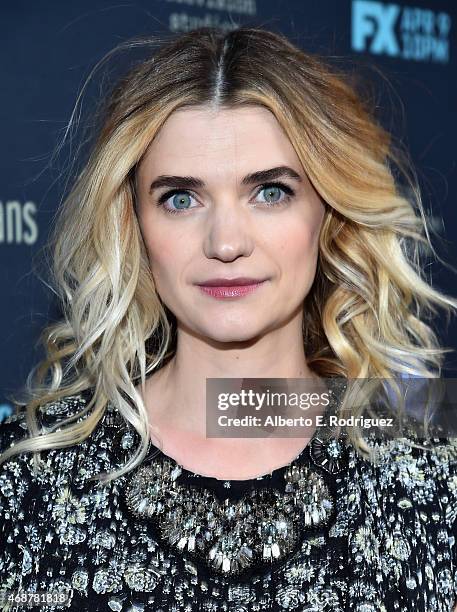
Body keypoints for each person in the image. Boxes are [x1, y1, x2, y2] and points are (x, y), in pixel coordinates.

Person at [1, 25, 457, 612]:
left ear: (330, 214)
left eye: (269, 192)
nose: (225, 242)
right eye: (180, 199)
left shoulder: (431, 490)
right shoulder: (25, 485)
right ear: (133, 224)